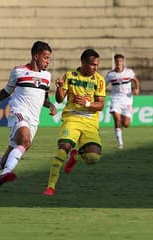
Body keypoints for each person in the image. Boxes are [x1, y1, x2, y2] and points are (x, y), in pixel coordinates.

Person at [0, 41, 57, 186]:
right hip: (19, 112)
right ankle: (5, 174)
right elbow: (6, 92)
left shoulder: (47, 76)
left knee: (5, 160)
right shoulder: (18, 71)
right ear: (36, 56)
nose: (48, 61)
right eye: (45, 58)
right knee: (25, 141)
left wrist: (51, 105)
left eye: (49, 58)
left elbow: (44, 97)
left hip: (34, 120)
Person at [43, 48, 106, 196]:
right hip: (72, 118)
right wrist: (59, 88)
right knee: (63, 147)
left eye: (97, 65)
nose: (95, 68)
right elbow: (59, 99)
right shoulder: (70, 76)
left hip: (90, 121)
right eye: (92, 65)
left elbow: (101, 105)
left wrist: (87, 103)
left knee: (93, 157)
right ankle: (51, 186)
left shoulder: (99, 80)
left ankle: (76, 156)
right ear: (83, 62)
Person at [105, 54, 140, 149]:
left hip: (127, 99)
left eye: (120, 61)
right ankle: (120, 143)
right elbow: (103, 85)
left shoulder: (129, 72)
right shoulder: (110, 74)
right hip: (115, 98)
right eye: (117, 61)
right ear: (114, 62)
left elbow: (136, 81)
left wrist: (137, 89)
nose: (119, 63)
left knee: (126, 124)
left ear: (123, 62)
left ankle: (121, 127)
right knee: (116, 118)